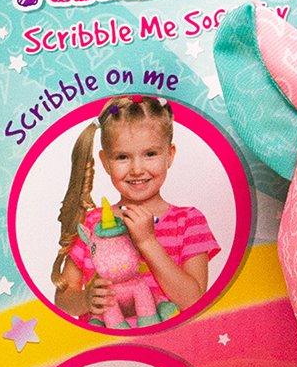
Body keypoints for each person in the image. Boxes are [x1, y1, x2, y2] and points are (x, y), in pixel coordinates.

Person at [52, 96, 220, 324]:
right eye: (122, 157)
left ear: (169, 155)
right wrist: (85, 299)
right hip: (106, 342)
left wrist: (147, 241)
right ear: (105, 162)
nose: (137, 169)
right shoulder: (91, 224)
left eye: (150, 154)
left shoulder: (189, 221)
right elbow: (63, 298)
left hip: (168, 342)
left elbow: (193, 302)